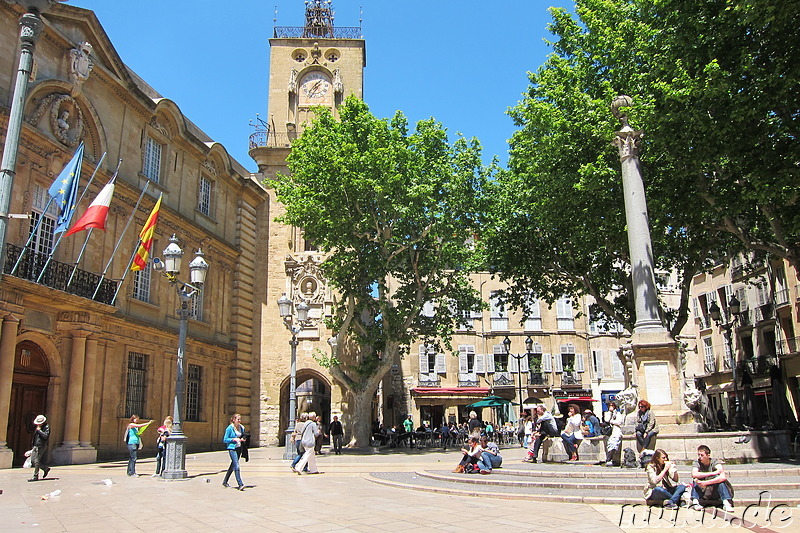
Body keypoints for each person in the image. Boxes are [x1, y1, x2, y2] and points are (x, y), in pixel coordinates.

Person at [690, 445, 734, 512]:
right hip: (704, 491)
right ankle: (695, 502)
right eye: (698, 455)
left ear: (708, 455)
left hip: (715, 490)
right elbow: (694, 474)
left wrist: (705, 483)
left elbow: (723, 476)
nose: (699, 457)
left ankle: (726, 503)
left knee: (719, 480)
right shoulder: (697, 462)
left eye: (702, 455)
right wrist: (712, 473)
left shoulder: (715, 462)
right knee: (696, 479)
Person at [222, 413, 246, 490]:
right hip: (232, 448)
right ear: (234, 420)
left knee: (233, 465)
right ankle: (240, 484)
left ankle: (225, 482)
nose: (239, 421)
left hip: (239, 448)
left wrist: (243, 439)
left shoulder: (242, 428)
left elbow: (242, 435)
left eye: (240, 419)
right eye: (238, 419)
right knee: (236, 465)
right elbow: (225, 439)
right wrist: (233, 439)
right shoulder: (229, 428)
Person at [28, 414, 51, 482]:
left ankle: (35, 476)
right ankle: (45, 469)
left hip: (41, 445)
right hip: (36, 445)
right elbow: (35, 437)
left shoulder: (46, 427)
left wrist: (39, 431)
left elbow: (46, 436)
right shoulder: (38, 427)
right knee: (32, 460)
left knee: (36, 461)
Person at [603, 401, 625, 466]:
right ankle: (609, 459)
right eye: (610, 405)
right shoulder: (607, 413)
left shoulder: (618, 413)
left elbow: (620, 422)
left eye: (612, 405)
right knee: (609, 446)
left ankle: (612, 459)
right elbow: (606, 420)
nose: (611, 407)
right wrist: (610, 413)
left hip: (616, 431)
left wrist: (612, 421)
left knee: (614, 445)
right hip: (609, 432)